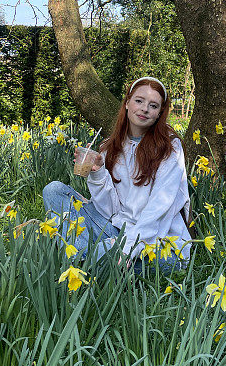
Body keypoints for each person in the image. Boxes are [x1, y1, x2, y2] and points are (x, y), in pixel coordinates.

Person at [42, 77, 192, 274]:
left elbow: (160, 210)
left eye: (153, 105)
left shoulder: (170, 148)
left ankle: (81, 265)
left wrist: (126, 248)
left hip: (157, 244)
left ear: (159, 114)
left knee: (132, 257)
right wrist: (98, 174)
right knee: (54, 190)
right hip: (118, 230)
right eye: (139, 101)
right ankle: (94, 261)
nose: (145, 108)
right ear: (127, 103)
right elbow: (110, 211)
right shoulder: (109, 147)